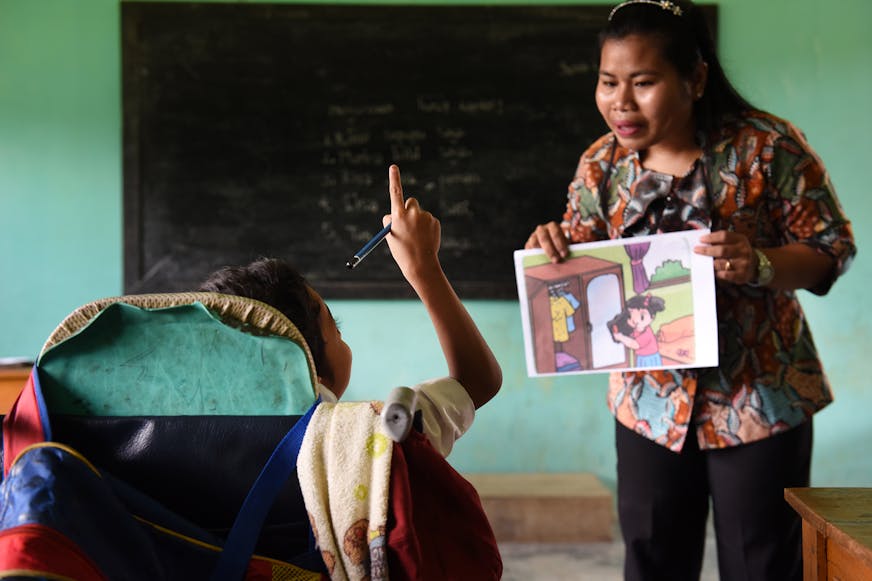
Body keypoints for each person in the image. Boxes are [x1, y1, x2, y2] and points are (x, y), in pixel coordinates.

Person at [525, 1, 856, 580]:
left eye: (644, 82)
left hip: (758, 400)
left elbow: (831, 248)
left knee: (763, 564)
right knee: (652, 559)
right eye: (608, 82)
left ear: (695, 78)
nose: (620, 102)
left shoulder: (766, 147)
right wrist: (552, 245)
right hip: (648, 406)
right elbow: (575, 261)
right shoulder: (601, 167)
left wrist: (760, 263)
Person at [199, 164, 502, 458]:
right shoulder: (377, 438)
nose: (342, 335)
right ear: (311, 370)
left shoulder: (191, 449)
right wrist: (422, 265)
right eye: (336, 327)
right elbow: (477, 382)